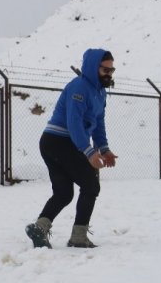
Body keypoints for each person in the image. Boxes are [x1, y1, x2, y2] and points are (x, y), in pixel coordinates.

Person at [25, 48, 118, 249]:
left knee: (64, 193)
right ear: (94, 68)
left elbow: (98, 123)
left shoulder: (100, 93)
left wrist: (104, 148)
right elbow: (74, 123)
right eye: (105, 70)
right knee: (91, 186)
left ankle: (39, 228)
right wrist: (89, 152)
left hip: (59, 142)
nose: (109, 75)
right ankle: (78, 236)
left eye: (111, 70)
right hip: (59, 141)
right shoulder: (79, 87)